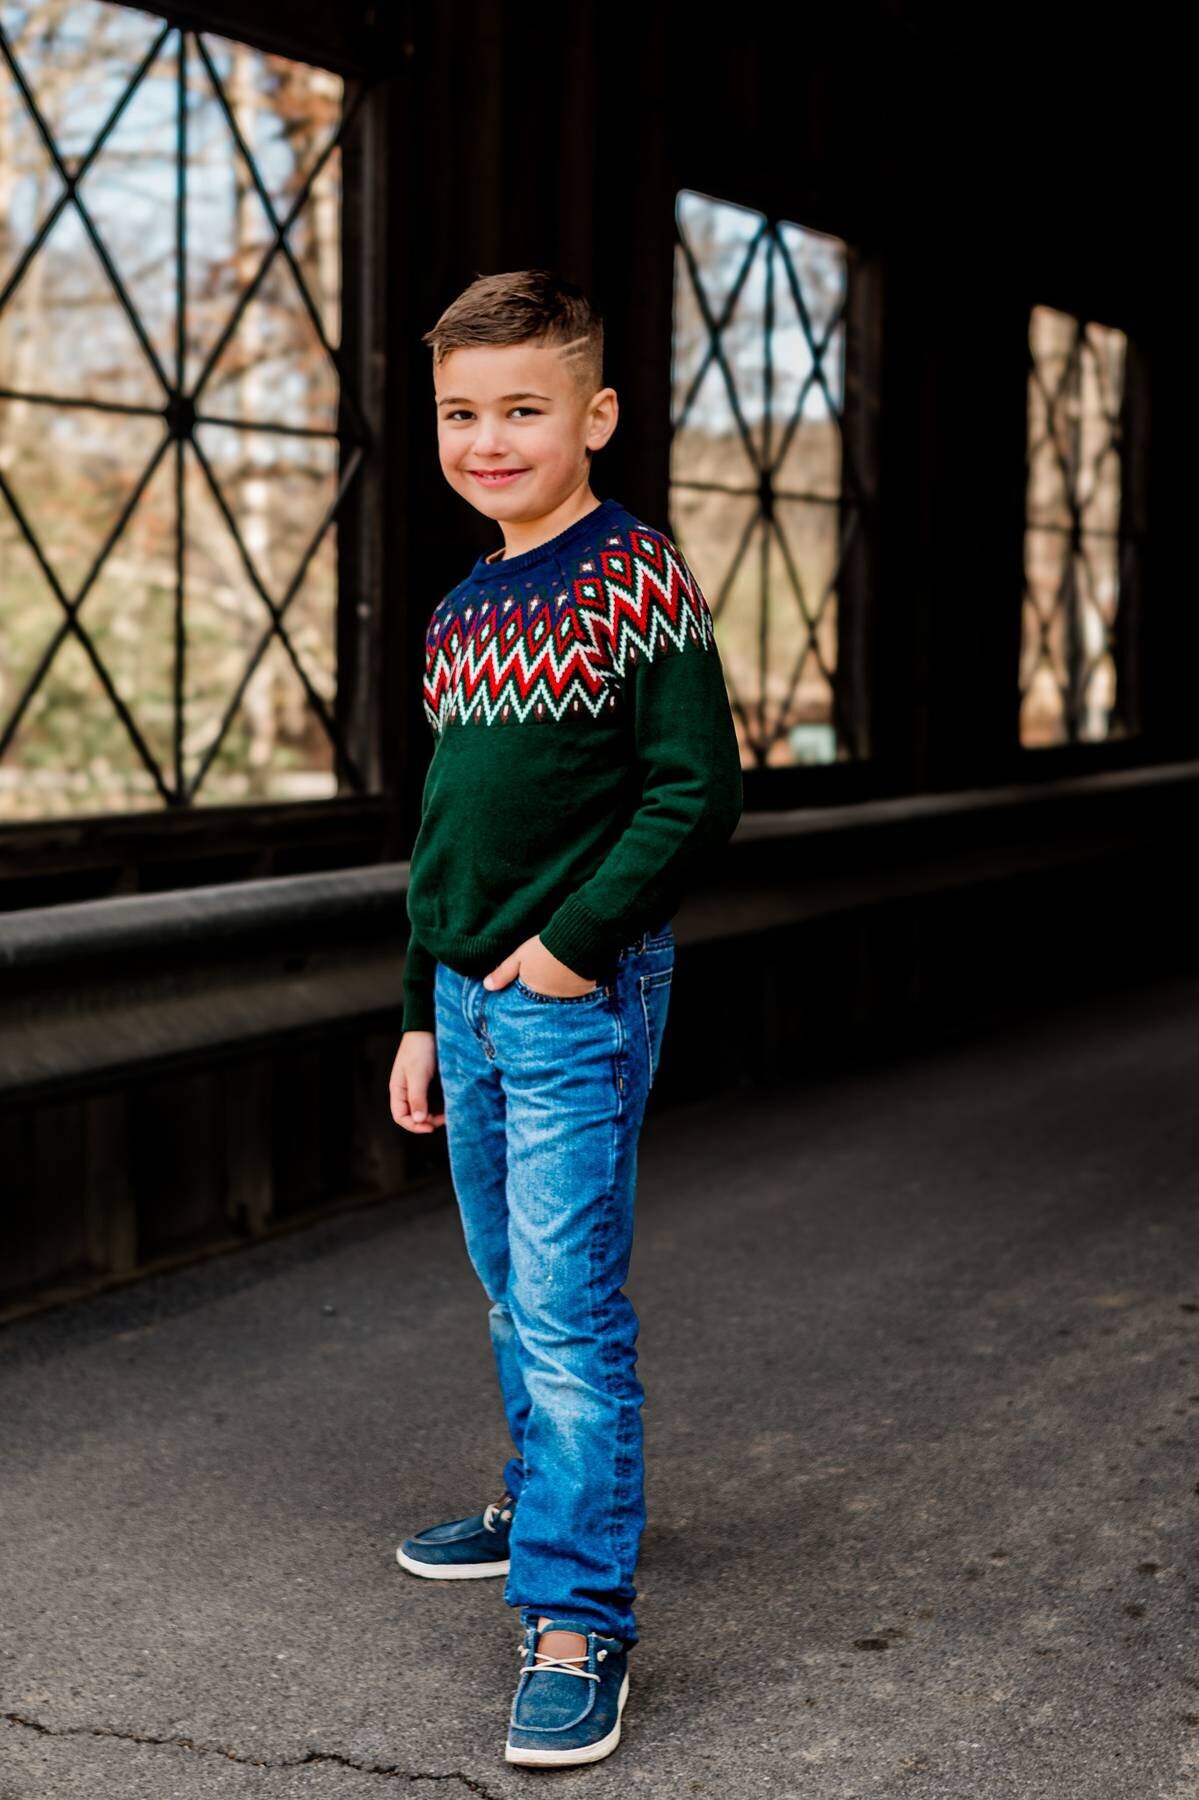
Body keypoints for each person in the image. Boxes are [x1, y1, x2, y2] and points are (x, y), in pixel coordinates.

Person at [388, 267, 743, 1768]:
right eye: (462, 413)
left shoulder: (631, 571)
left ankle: (576, 1619)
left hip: (568, 996)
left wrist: (568, 950)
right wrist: (423, 1004)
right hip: (469, 1001)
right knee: (507, 1288)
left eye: (523, 410)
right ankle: (543, 1501)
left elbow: (697, 791)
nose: (488, 440)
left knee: (571, 1313)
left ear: (594, 416)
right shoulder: (464, 608)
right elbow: (445, 837)